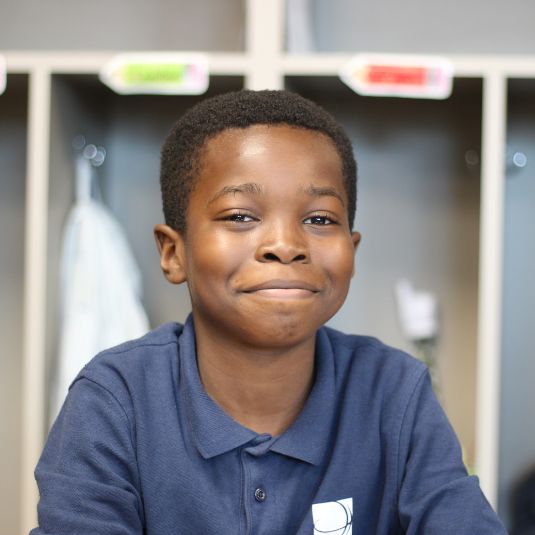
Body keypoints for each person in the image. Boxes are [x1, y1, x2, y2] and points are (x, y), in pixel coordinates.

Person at [31, 90, 507, 534]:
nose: (285, 245)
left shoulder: (394, 392)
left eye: (319, 219)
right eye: (241, 216)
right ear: (173, 252)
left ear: (352, 250)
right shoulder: (117, 397)